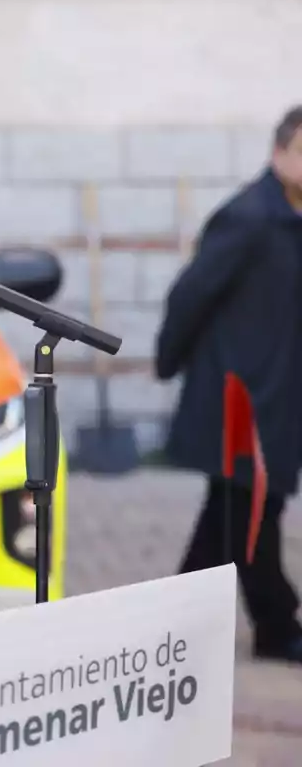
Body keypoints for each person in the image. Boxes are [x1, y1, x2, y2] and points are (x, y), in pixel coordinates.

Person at [155, 104, 302, 665]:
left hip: (277, 397)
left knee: (243, 514)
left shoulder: (292, 218)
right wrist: (170, 359)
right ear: (279, 153)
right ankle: (261, 623)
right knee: (241, 513)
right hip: (239, 397)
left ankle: (206, 623)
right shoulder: (249, 218)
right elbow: (191, 294)